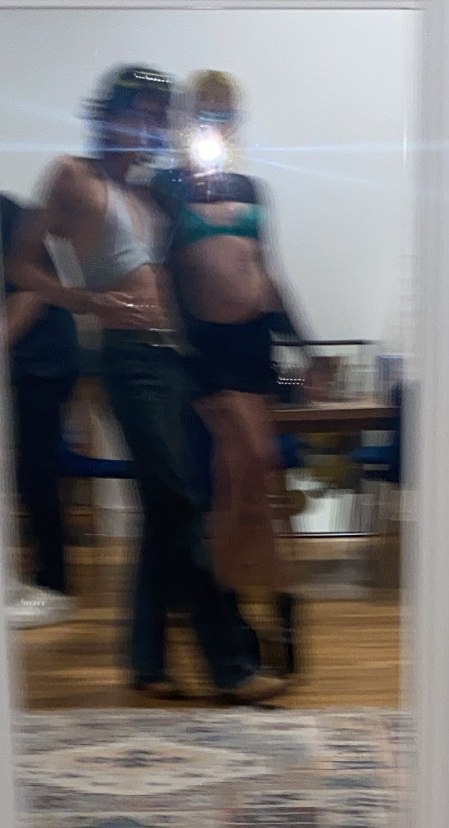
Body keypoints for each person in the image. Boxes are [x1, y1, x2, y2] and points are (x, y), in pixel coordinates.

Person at [8, 64, 285, 703]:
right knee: (181, 504)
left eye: (157, 119)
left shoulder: (148, 190)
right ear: (108, 113)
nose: (148, 128)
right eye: (138, 114)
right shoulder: (72, 176)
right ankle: (232, 666)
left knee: (166, 508)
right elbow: (20, 263)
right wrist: (83, 300)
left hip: (176, 358)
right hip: (129, 359)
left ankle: (146, 660)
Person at [151, 70, 311, 675]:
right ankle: (261, 608)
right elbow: (160, 277)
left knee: (252, 483)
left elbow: (267, 274)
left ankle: (265, 608)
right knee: (234, 483)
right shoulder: (166, 188)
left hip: (253, 348)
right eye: (205, 111)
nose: (214, 122)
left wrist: (304, 345)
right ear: (186, 118)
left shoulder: (251, 188)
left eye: (224, 112)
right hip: (204, 353)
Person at [0, 192, 79, 626]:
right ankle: (41, 579)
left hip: (45, 359)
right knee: (28, 469)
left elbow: (32, 293)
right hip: (30, 359)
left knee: (35, 469)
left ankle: (54, 586)